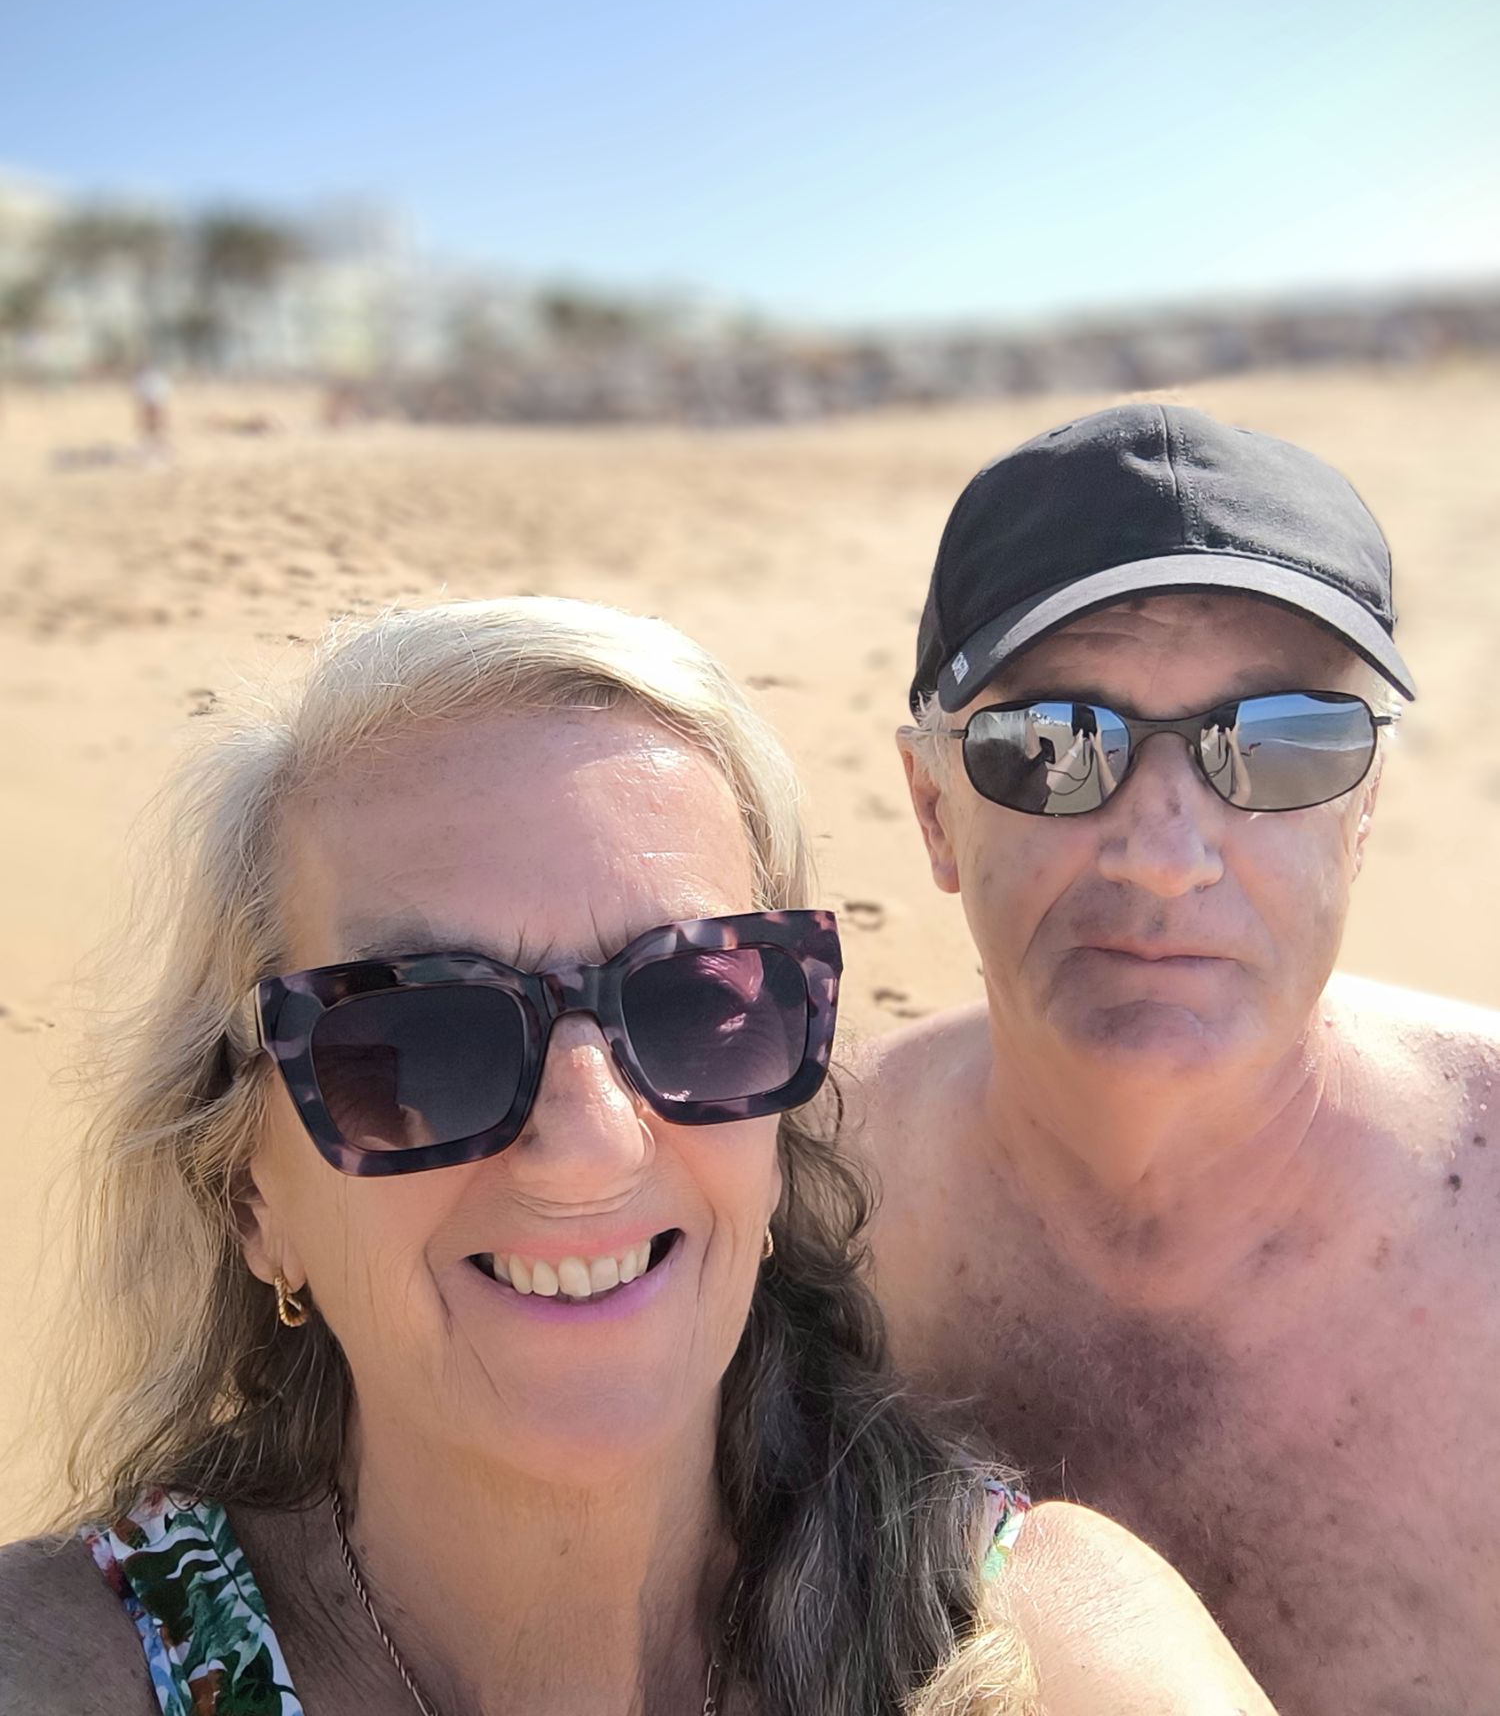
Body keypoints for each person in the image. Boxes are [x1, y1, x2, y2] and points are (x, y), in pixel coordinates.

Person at [0, 596, 1273, 1716]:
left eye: (695, 1004)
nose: (588, 1144)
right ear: (250, 1193)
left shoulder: (1053, 1649)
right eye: (420, 1037)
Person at [855, 403, 1500, 1716]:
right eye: (1052, 743)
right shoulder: (799, 1210)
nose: (1164, 853)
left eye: (1281, 742)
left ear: (1363, 812)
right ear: (933, 807)